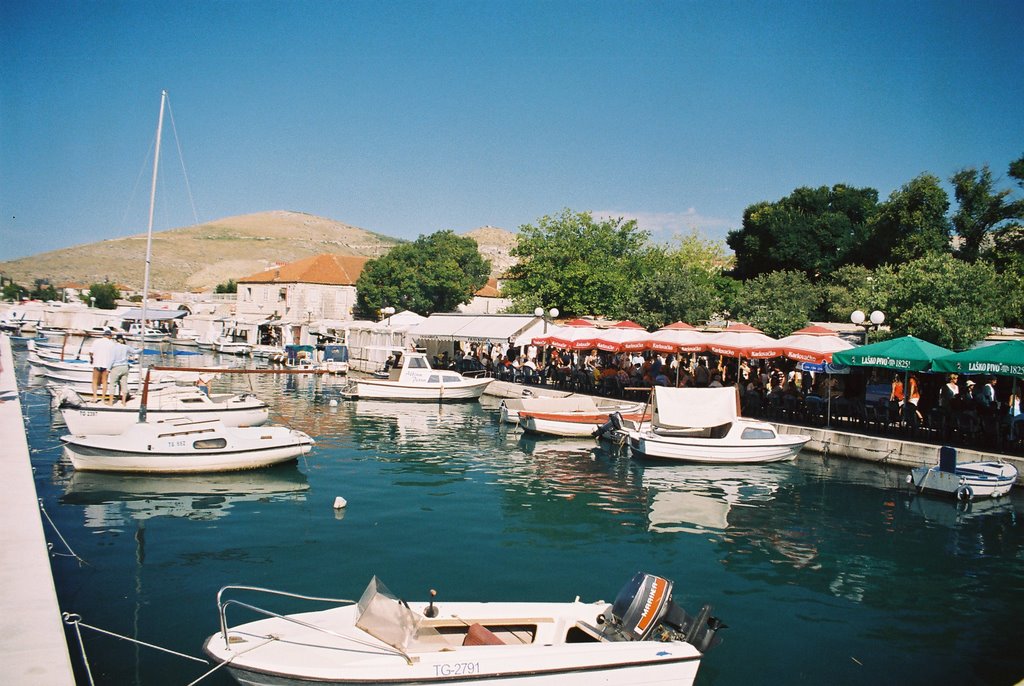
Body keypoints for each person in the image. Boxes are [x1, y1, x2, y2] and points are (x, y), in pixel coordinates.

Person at [107, 334, 138, 404]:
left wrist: (108, 369)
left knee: (113, 384)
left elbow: (111, 359)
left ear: (116, 340)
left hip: (116, 367)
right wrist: (141, 349)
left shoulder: (113, 347)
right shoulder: (126, 347)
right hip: (125, 367)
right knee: (124, 384)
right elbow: (135, 351)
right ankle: (123, 402)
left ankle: (110, 402)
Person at [89, 330, 117, 402]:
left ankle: (95, 397)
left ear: (103, 335)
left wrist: (92, 359)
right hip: (106, 365)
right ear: (110, 336)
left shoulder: (96, 341)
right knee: (104, 382)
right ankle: (103, 398)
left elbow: (91, 352)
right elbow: (113, 356)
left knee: (94, 381)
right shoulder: (112, 344)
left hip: (97, 363)